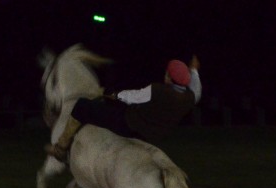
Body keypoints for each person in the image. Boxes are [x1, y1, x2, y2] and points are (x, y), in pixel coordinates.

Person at [46, 55, 202, 162]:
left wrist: (110, 93)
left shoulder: (157, 90)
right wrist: (194, 70)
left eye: (167, 73)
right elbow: (197, 89)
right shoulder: (189, 98)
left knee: (82, 105)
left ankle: (61, 147)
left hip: (130, 126)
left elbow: (132, 97)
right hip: (155, 136)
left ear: (169, 77)